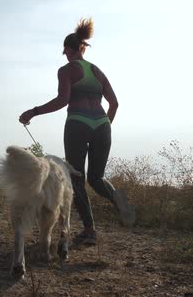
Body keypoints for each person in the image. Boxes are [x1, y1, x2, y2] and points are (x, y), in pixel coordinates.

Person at [19, 18, 135, 245]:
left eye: (64, 51)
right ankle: (116, 198)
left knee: (77, 177)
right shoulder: (98, 71)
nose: (64, 55)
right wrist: (106, 126)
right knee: (97, 177)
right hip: (102, 125)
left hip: (78, 124)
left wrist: (33, 112)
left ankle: (90, 231)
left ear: (70, 50)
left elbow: (63, 100)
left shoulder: (66, 70)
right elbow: (115, 104)